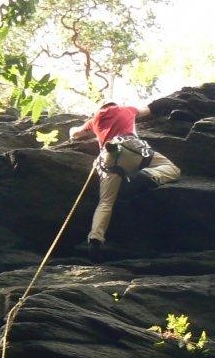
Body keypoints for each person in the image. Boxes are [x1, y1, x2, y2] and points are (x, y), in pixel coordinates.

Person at [69, 101, 181, 261]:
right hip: (131, 147)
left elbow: (75, 134)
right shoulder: (127, 109)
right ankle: (148, 175)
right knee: (172, 168)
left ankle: (95, 240)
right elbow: (147, 110)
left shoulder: (94, 120)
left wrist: (74, 128)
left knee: (106, 202)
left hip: (108, 156)